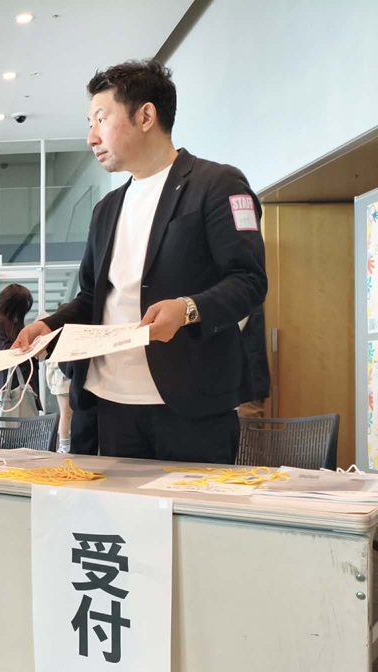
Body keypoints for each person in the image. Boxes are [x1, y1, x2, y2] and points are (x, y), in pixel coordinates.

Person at [15, 59, 267, 464]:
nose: (91, 137)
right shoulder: (107, 208)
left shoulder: (217, 185)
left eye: (101, 119)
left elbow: (249, 281)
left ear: (146, 116)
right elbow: (93, 297)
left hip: (189, 402)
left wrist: (188, 309)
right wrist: (49, 326)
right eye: (89, 123)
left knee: (188, 505)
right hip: (109, 401)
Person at [0, 283, 39, 410]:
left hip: (14, 386)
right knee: (17, 420)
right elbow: (9, 353)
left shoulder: (4, 322)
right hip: (10, 387)